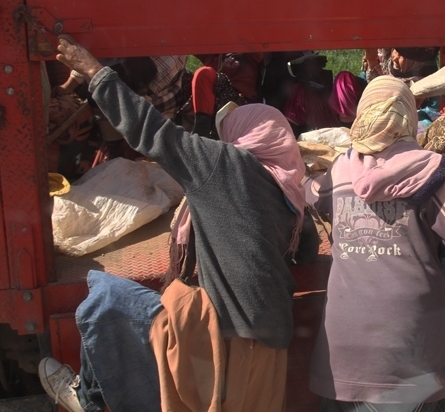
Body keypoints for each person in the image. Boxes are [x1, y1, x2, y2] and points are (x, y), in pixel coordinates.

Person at [39, 35, 318, 412]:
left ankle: (84, 397)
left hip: (220, 344)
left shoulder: (225, 165)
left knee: (102, 293)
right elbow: (308, 251)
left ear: (239, 138)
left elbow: (152, 131)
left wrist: (92, 70)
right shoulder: (291, 194)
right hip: (270, 355)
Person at [306, 75, 445, 411]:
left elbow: (310, 195)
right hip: (412, 362)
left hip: (343, 365)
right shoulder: (431, 171)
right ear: (408, 117)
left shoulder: (339, 171)